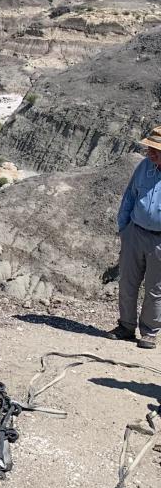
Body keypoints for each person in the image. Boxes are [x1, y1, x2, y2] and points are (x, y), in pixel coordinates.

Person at [108, 126, 161, 350]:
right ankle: (126, 327)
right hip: (135, 232)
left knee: (155, 289)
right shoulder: (143, 167)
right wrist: (124, 228)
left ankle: (149, 332)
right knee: (128, 282)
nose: (150, 152)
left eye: (155, 150)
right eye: (149, 148)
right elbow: (130, 196)